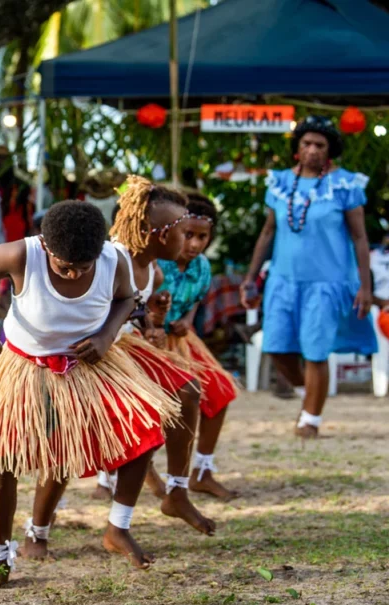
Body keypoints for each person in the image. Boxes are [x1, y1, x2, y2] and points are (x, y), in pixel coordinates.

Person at [0, 201, 180, 581]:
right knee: (3, 462)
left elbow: (126, 298)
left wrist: (106, 335)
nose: (73, 273)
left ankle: (108, 527)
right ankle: (0, 559)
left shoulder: (113, 260)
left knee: (143, 430)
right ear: (46, 247)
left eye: (82, 267)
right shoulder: (22, 254)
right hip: (24, 367)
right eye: (64, 266)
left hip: (87, 366)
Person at [241, 115, 375, 438]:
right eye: (306, 143)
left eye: (320, 145)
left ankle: (310, 420)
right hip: (283, 282)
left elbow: (360, 238)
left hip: (326, 284)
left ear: (329, 151)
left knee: (315, 350)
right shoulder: (281, 183)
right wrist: (250, 278)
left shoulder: (344, 184)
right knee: (276, 347)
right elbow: (267, 232)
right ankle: (310, 392)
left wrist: (365, 286)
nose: (312, 149)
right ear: (297, 149)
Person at [109, 176, 216, 536]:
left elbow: (139, 314)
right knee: (139, 425)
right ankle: (39, 528)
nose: (190, 241)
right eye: (184, 232)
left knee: (189, 389)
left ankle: (178, 490)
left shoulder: (153, 271)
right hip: (97, 356)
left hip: (132, 346)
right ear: (160, 234)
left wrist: (153, 322)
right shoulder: (112, 260)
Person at [155, 193, 239, 501]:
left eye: (202, 237)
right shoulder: (156, 260)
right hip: (145, 341)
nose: (193, 244)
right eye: (187, 234)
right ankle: (108, 479)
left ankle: (202, 472)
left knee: (220, 390)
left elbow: (196, 300)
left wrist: (187, 320)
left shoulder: (202, 267)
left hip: (181, 340)